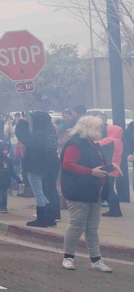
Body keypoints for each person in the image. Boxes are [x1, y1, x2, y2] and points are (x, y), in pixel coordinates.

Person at [60, 115, 113, 272]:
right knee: (77, 225)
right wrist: (91, 172)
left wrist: (109, 167)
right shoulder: (76, 144)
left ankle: (96, 260)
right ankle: (68, 257)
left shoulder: (91, 144)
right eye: (98, 127)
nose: (101, 130)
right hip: (79, 190)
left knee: (91, 227)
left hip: (93, 190)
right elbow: (68, 164)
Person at [17, 110, 59, 228]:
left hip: (35, 165)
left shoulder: (39, 134)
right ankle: (49, 217)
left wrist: (22, 123)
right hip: (48, 166)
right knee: (44, 191)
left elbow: (24, 137)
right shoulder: (49, 132)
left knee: (38, 192)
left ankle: (42, 219)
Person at [96, 123, 123, 217]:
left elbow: (97, 144)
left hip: (108, 167)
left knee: (109, 190)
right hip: (115, 167)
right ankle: (115, 210)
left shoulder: (110, 140)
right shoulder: (119, 140)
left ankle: (114, 211)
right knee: (111, 189)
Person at [0, 140, 19, 214]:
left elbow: (12, 171)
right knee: (0, 194)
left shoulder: (8, 160)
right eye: (3, 149)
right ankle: (2, 207)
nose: (5, 151)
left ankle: (4, 206)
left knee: (4, 195)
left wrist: (17, 179)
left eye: (6, 150)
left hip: (6, 181)